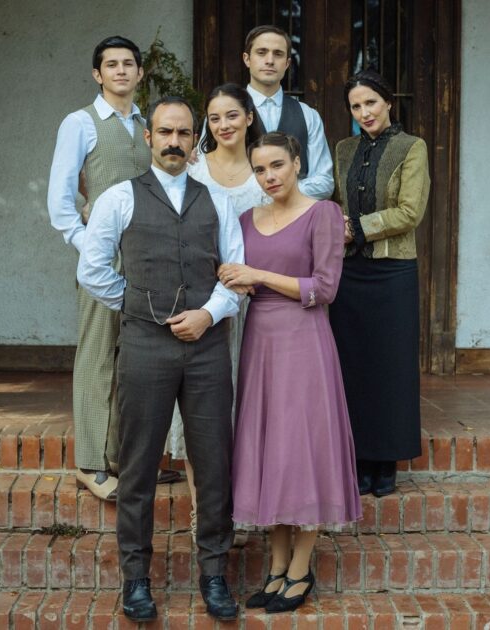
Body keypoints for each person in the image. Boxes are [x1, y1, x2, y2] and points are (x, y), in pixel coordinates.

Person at [77, 96, 243, 622]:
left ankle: (214, 574)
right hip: (145, 346)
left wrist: (208, 315)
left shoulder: (217, 201)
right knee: (138, 465)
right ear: (148, 137)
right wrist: (138, 305)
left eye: (184, 133)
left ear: (195, 140)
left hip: (207, 347)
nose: (174, 141)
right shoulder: (119, 198)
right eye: (165, 132)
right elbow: (92, 269)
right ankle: (135, 579)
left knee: (213, 463)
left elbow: (235, 274)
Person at [220, 132, 361, 613]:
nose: (269, 176)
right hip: (260, 343)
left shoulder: (324, 214)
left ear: (297, 163)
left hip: (305, 341)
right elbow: (230, 272)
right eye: (260, 169)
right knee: (271, 450)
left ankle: (300, 570)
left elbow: (325, 288)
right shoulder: (245, 219)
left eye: (277, 165)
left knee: (302, 450)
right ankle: (276, 567)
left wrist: (258, 276)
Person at [47, 36, 177, 500]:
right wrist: (92, 252)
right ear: (97, 74)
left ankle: (127, 460)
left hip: (148, 258)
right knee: (99, 355)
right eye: (111, 64)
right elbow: (61, 203)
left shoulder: (148, 125)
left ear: (140, 73)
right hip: (103, 259)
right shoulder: (80, 123)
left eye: (128, 64)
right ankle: (91, 464)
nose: (120, 70)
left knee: (136, 361)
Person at [166, 83, 268, 538]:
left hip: (255, 308)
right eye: (214, 118)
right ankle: (203, 512)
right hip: (203, 307)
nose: (223, 125)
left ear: (249, 117)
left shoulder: (264, 170)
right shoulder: (192, 170)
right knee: (200, 413)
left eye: (232, 115)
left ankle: (243, 510)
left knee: (246, 408)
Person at [328, 70, 430, 497]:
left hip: (392, 273)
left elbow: (410, 212)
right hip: (349, 273)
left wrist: (356, 227)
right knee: (352, 366)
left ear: (388, 101)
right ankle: (358, 458)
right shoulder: (344, 149)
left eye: (371, 102)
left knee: (391, 367)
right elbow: (335, 201)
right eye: (356, 106)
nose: (364, 112)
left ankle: (386, 462)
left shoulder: (412, 147)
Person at [242, 25, 334, 199]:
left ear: (287, 63)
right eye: (261, 52)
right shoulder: (224, 113)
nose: (270, 60)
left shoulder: (308, 115)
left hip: (297, 215)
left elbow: (324, 182)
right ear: (247, 59)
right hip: (241, 214)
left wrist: (280, 193)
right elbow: (207, 173)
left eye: (278, 54)